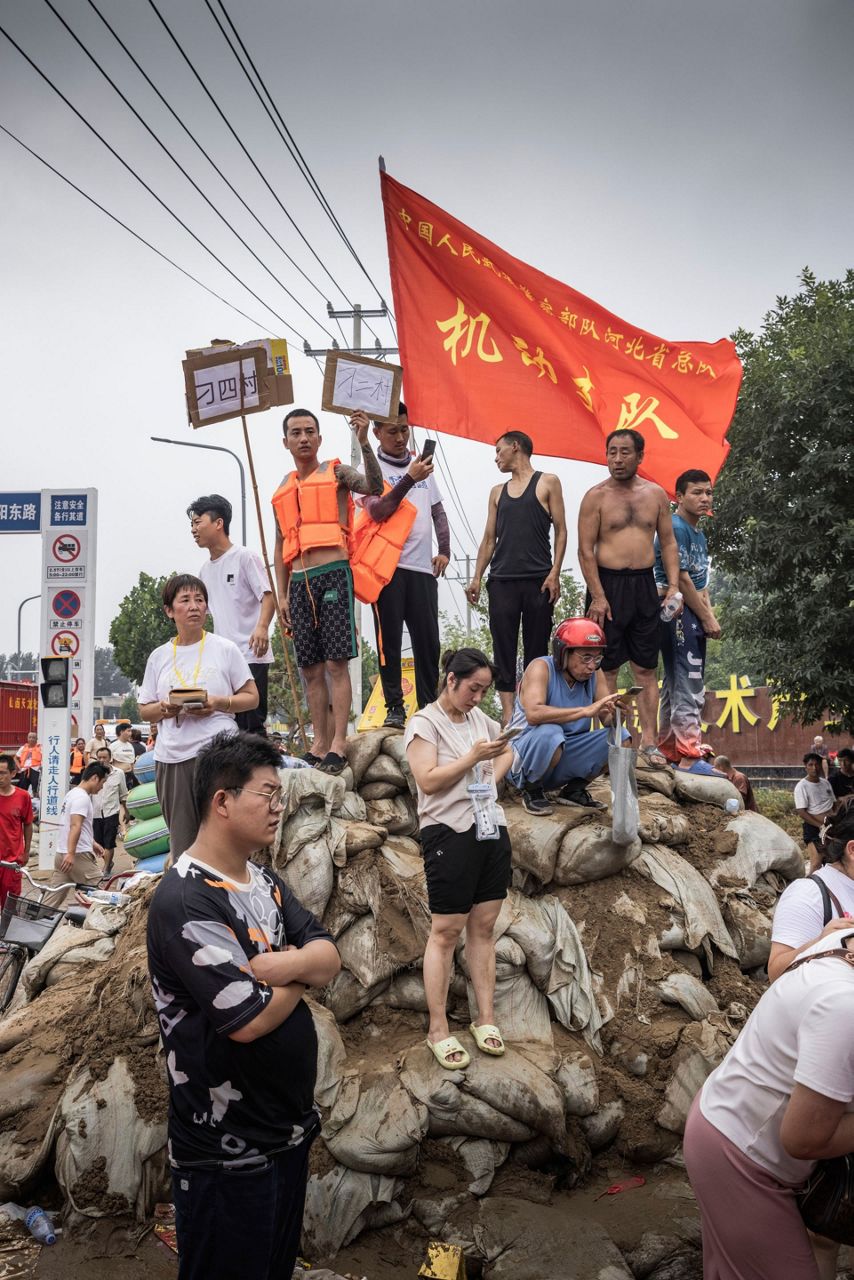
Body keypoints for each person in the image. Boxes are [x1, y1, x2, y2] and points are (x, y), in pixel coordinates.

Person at [146, 731, 340, 1280]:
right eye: (268, 794)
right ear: (223, 801)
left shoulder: (265, 883)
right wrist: (302, 970)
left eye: (282, 796)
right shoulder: (186, 899)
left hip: (285, 1132)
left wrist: (285, 968)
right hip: (224, 1151)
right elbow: (248, 1022)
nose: (279, 808)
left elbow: (330, 958)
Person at [684, 807, 854, 1280]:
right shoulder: (843, 1004)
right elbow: (803, 1138)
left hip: (729, 1121)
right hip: (740, 1153)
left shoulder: (842, 939)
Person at [405, 649, 516, 1069]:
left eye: (484, 690)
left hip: (490, 829)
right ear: (451, 679)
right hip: (447, 834)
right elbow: (427, 781)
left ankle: (485, 1019)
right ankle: (438, 1028)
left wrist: (490, 778)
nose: (478, 697)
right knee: (446, 932)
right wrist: (473, 760)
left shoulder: (481, 721)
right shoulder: (424, 724)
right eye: (474, 688)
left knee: (484, 927)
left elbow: (506, 749)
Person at [272, 407, 382, 773]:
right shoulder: (282, 490)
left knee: (336, 663)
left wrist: (364, 441)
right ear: (285, 441)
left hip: (333, 574)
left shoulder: (336, 473)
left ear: (319, 438)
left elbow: (374, 487)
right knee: (309, 669)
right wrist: (283, 594)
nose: (303, 438)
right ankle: (318, 744)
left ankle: (338, 742)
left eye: (309, 431)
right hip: (299, 582)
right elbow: (279, 548)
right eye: (296, 432)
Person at [578, 428, 681, 766]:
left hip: (643, 587)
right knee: (604, 667)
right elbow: (585, 551)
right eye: (612, 452)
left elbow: (667, 543)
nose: (617, 459)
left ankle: (650, 743)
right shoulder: (596, 496)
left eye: (625, 452)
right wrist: (597, 596)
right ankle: (614, 740)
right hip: (607, 587)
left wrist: (675, 588)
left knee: (646, 668)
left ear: (640, 456)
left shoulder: (656, 495)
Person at [139, 575, 258, 862]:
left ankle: (232, 901)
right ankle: (192, 902)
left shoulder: (225, 648)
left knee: (226, 837)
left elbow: (251, 697)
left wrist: (219, 702)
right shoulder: (159, 657)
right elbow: (144, 709)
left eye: (200, 600)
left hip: (219, 753)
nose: (194, 607)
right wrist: (166, 708)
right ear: (170, 610)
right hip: (173, 758)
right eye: (185, 600)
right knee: (185, 846)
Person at [354, 402, 451, 727]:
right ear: (377, 432)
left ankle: (428, 706)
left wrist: (445, 550)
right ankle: (395, 707)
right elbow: (379, 510)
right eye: (392, 430)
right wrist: (408, 479)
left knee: (429, 642)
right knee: (389, 641)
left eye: (404, 429)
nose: (399, 436)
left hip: (423, 570)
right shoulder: (371, 468)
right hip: (386, 571)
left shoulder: (419, 464)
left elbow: (437, 509)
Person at [466, 431, 567, 724]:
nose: (496, 457)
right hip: (502, 580)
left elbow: (561, 530)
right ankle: (510, 716)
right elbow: (488, 539)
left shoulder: (548, 482)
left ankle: (530, 709)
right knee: (503, 648)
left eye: (499, 451)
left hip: (539, 579)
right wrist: (476, 578)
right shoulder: (497, 492)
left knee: (537, 649)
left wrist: (555, 573)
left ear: (515, 446)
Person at [504, 618, 628, 815]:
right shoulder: (540, 668)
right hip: (524, 756)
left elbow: (606, 719)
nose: (591, 666)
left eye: (597, 659)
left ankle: (574, 790)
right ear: (563, 653)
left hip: (562, 753)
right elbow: (534, 714)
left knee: (621, 736)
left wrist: (616, 714)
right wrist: (585, 711)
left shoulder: (595, 674)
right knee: (550, 732)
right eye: (586, 657)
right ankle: (531, 789)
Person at [189, 493, 275, 735]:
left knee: (252, 724)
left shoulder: (245, 557)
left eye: (198, 522)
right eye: (191, 525)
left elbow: (268, 596)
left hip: (251, 653)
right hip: (222, 658)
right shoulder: (204, 571)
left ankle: (259, 770)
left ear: (219, 523)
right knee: (229, 724)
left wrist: (262, 628)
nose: (194, 530)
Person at [653, 469, 720, 771]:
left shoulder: (699, 534)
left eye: (708, 492)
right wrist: (706, 618)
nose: (704, 498)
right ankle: (688, 749)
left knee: (676, 680)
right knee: (689, 679)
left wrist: (709, 616)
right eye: (696, 492)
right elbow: (679, 577)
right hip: (674, 607)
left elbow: (701, 582)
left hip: (691, 608)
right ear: (678, 497)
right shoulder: (676, 526)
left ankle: (669, 748)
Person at [45, 762, 109, 905]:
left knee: (50, 900)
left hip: (61, 854)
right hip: (78, 856)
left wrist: (92, 842)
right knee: (101, 896)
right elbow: (75, 825)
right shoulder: (82, 798)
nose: (102, 787)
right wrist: (72, 853)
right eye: (102, 782)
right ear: (94, 778)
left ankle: (35, 923)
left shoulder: (72, 794)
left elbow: (71, 824)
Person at [794, 752, 837, 874]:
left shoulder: (825, 783)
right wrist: (820, 825)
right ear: (805, 766)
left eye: (817, 764)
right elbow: (801, 812)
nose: (814, 768)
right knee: (816, 863)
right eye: (811, 765)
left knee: (832, 862)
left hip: (831, 828)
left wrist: (833, 822)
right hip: (814, 829)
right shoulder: (801, 786)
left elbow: (833, 804)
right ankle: (807, 889)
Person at [0, 753, 33, 909]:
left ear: (13, 773)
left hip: (11, 861)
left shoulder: (23, 797)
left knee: (9, 906)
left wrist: (26, 851)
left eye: (2, 773)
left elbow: (28, 824)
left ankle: (6, 933)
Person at [92, 745, 128, 876]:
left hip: (111, 813)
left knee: (109, 843)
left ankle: (106, 868)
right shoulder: (93, 774)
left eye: (104, 757)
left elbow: (123, 794)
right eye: (99, 757)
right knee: (98, 843)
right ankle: (108, 862)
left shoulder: (118, 774)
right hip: (95, 813)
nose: (102, 760)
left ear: (110, 758)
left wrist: (127, 812)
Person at [111, 722, 138, 789]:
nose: (130, 733)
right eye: (128, 731)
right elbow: (109, 763)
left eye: (131, 731)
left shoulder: (130, 746)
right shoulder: (113, 746)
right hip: (117, 777)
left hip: (129, 777)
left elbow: (132, 763)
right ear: (122, 732)